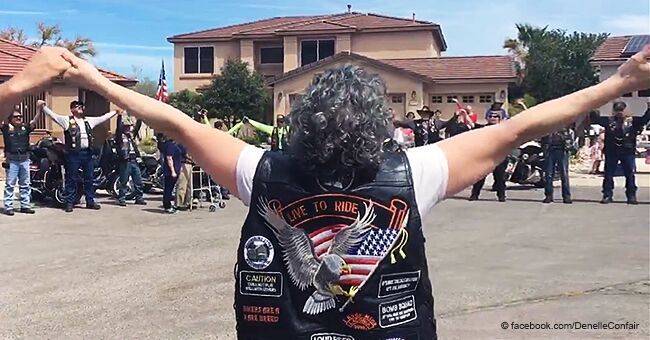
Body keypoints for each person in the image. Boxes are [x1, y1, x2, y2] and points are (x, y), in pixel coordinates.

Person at [1, 45, 648, 339]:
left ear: (304, 120)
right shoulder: (415, 172)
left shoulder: (262, 172)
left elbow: (176, 121)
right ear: (380, 123)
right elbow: (520, 127)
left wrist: (98, 81)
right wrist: (616, 82)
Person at [38, 99, 116, 212]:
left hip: (87, 153)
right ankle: (69, 202)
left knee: (89, 178)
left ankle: (90, 201)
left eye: (81, 106)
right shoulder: (66, 120)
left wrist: (115, 112)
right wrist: (43, 107)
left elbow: (103, 118)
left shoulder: (88, 120)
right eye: (77, 106)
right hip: (74, 154)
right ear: (72, 109)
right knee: (71, 178)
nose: (80, 108)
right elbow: (53, 116)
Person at [591, 100, 650, 204]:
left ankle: (631, 195)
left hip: (627, 150)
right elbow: (595, 118)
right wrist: (594, 107)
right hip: (612, 150)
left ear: (625, 110)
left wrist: (649, 109)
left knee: (629, 174)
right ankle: (607, 195)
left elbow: (645, 120)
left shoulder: (632, 121)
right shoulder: (609, 120)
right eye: (617, 110)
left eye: (621, 110)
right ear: (614, 111)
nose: (619, 112)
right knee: (609, 174)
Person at [1, 105, 40, 215]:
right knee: (10, 185)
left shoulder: (25, 128)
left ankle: (25, 206)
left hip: (24, 160)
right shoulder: (6, 128)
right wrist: (7, 104)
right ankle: (8, 207)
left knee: (25, 184)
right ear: (10, 119)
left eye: (20, 116)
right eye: (16, 116)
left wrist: (38, 109)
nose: (19, 118)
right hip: (12, 160)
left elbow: (34, 121)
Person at [469, 112, 508, 202]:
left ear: (499, 119)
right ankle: (474, 195)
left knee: (500, 178)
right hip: (485, 157)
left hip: (499, 156)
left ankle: (501, 195)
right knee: (480, 177)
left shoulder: (504, 129)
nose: (492, 118)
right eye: (490, 116)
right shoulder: (483, 128)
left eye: (495, 116)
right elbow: (471, 124)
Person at [115, 110, 146, 206]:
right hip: (125, 160)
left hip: (134, 160)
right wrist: (119, 116)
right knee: (124, 180)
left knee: (138, 180)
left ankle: (139, 198)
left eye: (130, 126)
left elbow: (137, 127)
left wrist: (140, 117)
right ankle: (122, 198)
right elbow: (119, 127)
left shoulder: (132, 137)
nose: (129, 128)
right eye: (127, 126)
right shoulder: (121, 136)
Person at [541, 126, 575, 203]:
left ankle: (566, 196)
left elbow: (570, 132)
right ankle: (549, 195)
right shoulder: (548, 123)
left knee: (564, 174)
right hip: (550, 148)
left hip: (562, 149)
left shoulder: (564, 123)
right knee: (549, 174)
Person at [162, 138, 184, 213]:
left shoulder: (175, 145)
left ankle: (169, 205)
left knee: (171, 189)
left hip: (176, 170)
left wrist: (179, 168)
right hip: (170, 172)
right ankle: (167, 206)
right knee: (168, 189)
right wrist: (173, 171)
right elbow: (169, 158)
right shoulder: (170, 145)